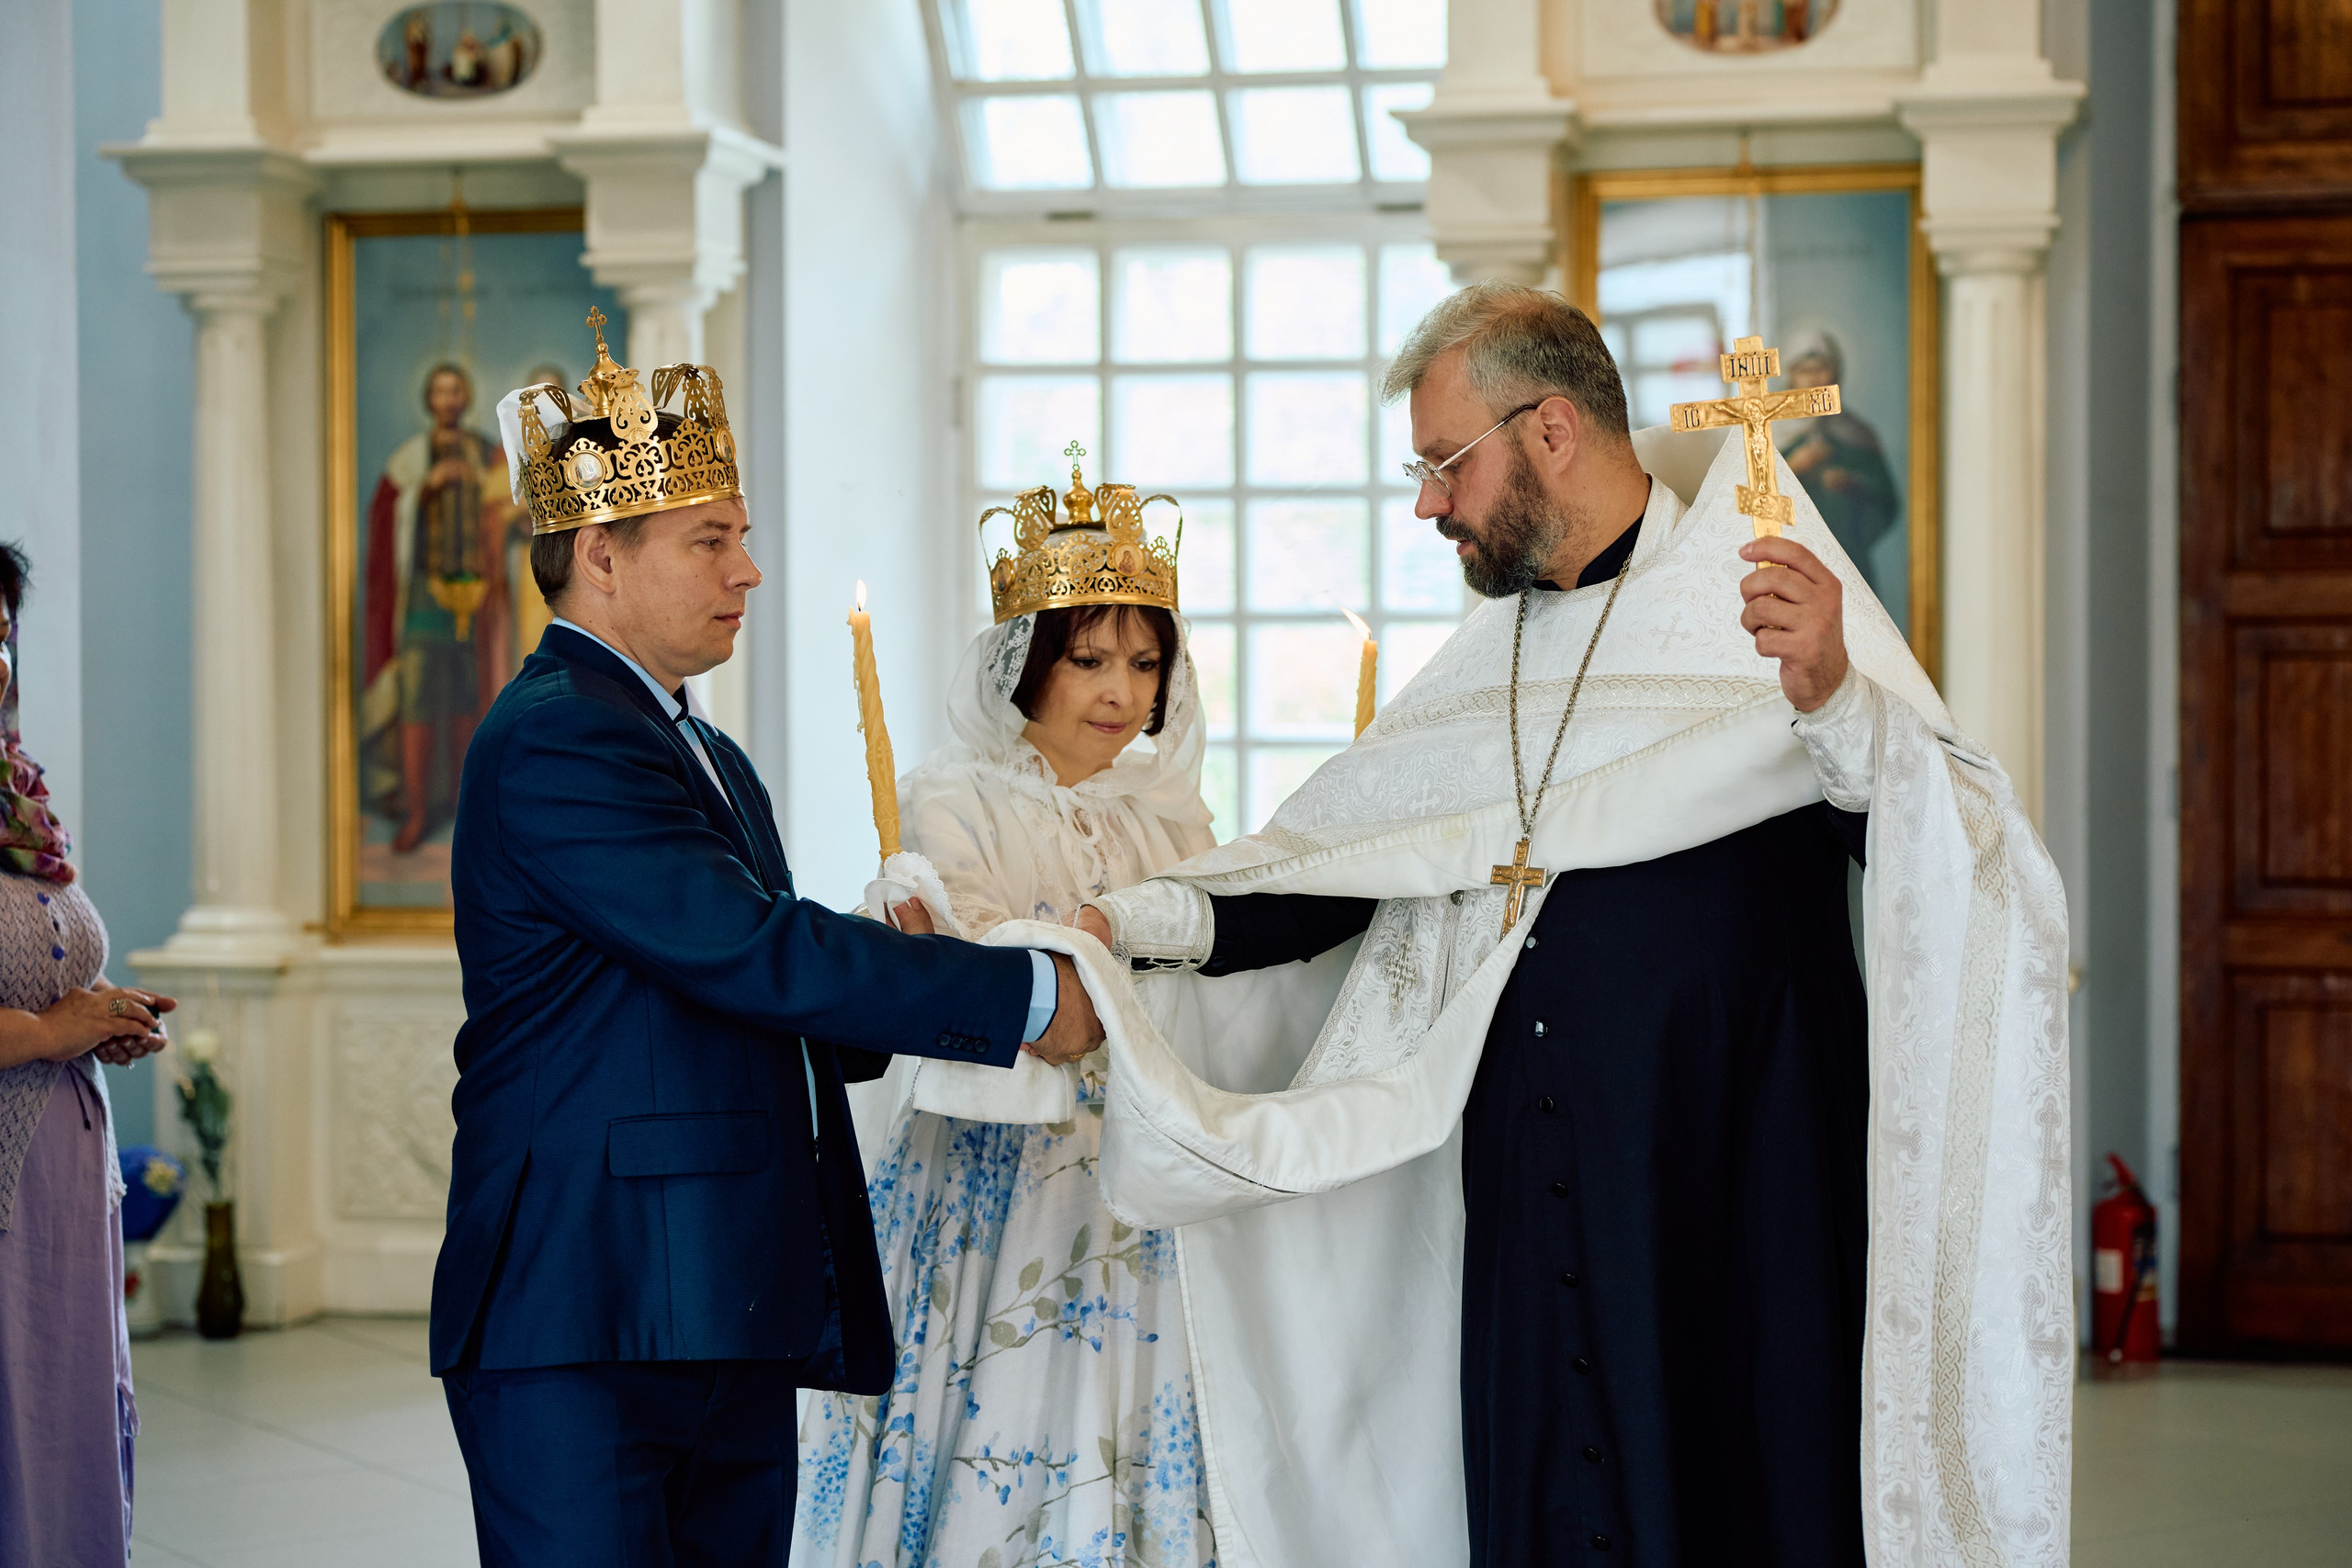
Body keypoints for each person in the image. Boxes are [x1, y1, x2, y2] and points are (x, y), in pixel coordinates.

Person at [1068, 285, 2071, 1567]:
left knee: (1736, 1495)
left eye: (1444, 462)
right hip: (1535, 1197)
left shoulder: (1762, 618)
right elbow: (1341, 859)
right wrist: (1134, 923)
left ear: (1549, 430)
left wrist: (1838, 701)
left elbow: (1958, 850)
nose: (1428, 503)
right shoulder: (1492, 657)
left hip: (1734, 1193)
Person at [435, 312, 1102, 1568]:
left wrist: (877, 950)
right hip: (589, 1296)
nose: (748, 569)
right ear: (601, 554)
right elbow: (747, 949)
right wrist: (1021, 994)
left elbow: (744, 982)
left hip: (714, 1285)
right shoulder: (558, 736)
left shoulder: (707, 748)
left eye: (742, 537)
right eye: (712, 539)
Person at [795, 474, 1217, 1565]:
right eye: (1087, 659)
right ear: (1026, 660)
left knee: (1138, 1402)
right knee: (1003, 1404)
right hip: (1004, 1165)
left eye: (1143, 661)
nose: (1120, 690)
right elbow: (965, 969)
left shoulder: (1173, 815)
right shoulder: (956, 795)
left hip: (1144, 1160)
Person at [0, 541, 175, 1568]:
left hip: (64, 1188)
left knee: (69, 1440)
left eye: (3, 631)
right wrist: (48, 1032)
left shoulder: (19, 797)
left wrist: (94, 1015)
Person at [361, 361, 519, 855]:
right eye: (439, 392)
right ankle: (416, 812)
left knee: (472, 699)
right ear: (429, 400)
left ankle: (466, 807)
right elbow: (388, 513)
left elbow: (512, 505)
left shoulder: (487, 454)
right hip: (425, 597)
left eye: (456, 391)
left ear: (466, 397)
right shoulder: (411, 457)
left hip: (477, 598)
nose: (448, 400)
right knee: (420, 699)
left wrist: (478, 486)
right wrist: (426, 485)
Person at [1778, 330, 1900, 581]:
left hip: (1849, 565)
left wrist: (1850, 484)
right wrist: (1792, 468)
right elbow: (1747, 504)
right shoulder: (1772, 433)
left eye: (1821, 368)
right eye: (1804, 370)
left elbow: (1886, 503)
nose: (1813, 379)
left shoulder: (1857, 434)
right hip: (1789, 564)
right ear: (1791, 376)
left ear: (1836, 373)